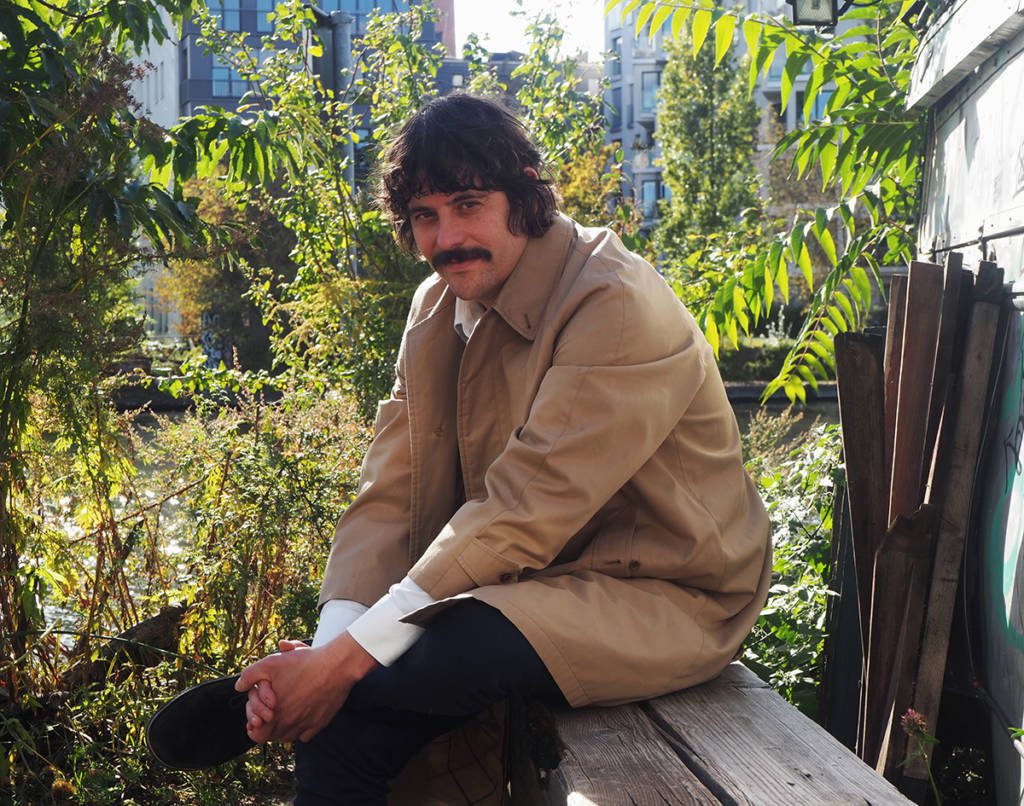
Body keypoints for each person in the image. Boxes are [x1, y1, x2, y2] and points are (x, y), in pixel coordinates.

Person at [234, 93, 772, 804]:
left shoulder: (610, 301)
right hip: (530, 586)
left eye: (467, 204)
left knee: (395, 677)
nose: (446, 237)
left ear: (523, 189)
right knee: (348, 712)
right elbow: (390, 492)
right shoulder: (435, 308)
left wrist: (343, 663)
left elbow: (523, 508)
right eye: (424, 216)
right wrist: (334, 643)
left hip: (669, 594)